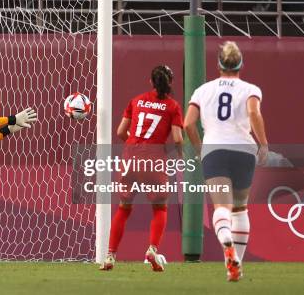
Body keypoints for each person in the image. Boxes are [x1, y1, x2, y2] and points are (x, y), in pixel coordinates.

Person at [183, 41, 268, 282]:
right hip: (243, 150)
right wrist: (263, 143)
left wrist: (200, 150)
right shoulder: (250, 89)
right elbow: (253, 113)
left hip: (214, 150)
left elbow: (188, 123)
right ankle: (236, 264)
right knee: (241, 208)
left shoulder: (203, 90)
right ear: (241, 63)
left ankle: (226, 244)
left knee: (222, 208)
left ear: (218, 64)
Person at [100, 66, 183, 272]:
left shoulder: (136, 100)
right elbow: (179, 139)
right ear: (170, 82)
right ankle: (152, 249)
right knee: (160, 208)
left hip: (130, 158)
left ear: (150, 81)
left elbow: (120, 131)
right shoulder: (173, 106)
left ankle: (110, 256)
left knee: (123, 207)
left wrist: (134, 146)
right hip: (154, 160)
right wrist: (174, 153)